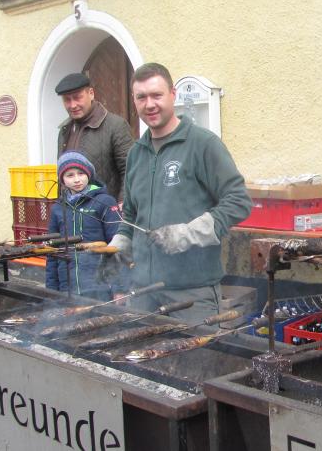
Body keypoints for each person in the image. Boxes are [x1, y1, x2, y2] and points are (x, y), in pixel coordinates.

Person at [100, 63, 251, 325]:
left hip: (192, 295)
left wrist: (187, 234)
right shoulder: (137, 153)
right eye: (141, 97)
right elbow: (132, 214)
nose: (150, 104)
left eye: (156, 95)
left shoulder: (203, 145)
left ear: (173, 94)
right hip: (143, 293)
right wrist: (119, 245)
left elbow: (238, 202)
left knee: (197, 364)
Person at [45, 152, 122, 300]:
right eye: (70, 175)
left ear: (89, 174)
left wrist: (119, 287)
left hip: (99, 285)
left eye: (81, 173)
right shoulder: (57, 208)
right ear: (62, 180)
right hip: (67, 286)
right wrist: (51, 290)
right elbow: (52, 252)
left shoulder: (104, 202)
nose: (77, 180)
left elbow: (117, 246)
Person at [56, 73, 135, 200]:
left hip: (106, 215)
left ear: (91, 93)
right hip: (72, 215)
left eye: (77, 97)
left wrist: (122, 207)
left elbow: (130, 171)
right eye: (67, 100)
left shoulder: (116, 126)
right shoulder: (64, 131)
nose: (73, 105)